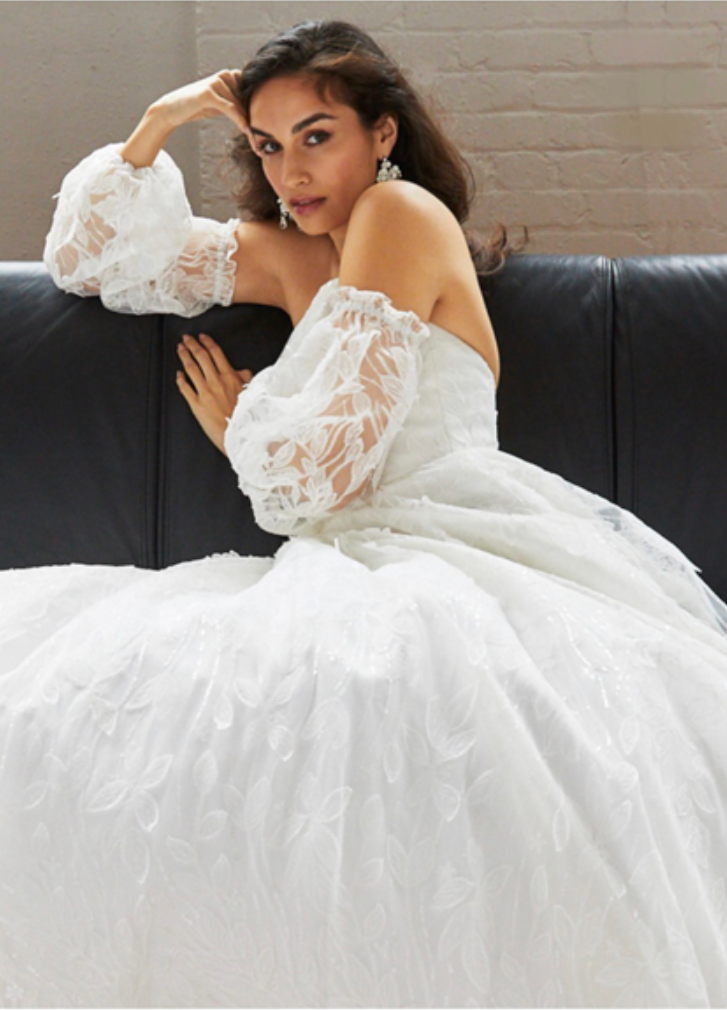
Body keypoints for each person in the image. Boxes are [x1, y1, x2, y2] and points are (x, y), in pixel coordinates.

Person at [2, 18, 727, 1008]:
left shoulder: (402, 216)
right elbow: (90, 261)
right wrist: (156, 121)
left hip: (448, 542)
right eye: (266, 144)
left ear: (380, 135)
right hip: (340, 556)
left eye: (316, 135)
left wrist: (239, 419)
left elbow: (318, 475)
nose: (291, 170)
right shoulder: (293, 253)